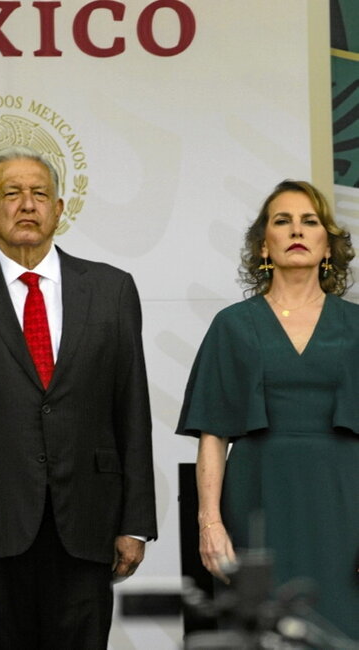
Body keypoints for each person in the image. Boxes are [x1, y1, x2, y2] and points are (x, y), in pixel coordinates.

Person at [0, 146, 157, 649]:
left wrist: (135, 521)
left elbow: (132, 413)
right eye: (12, 193)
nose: (28, 205)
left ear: (59, 209)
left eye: (40, 194)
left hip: (86, 525)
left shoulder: (111, 290)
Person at [177, 180, 359, 640]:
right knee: (258, 633)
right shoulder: (232, 326)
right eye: (282, 221)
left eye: (309, 221)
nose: (296, 230)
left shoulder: (358, 325)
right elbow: (213, 435)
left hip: (345, 505)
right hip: (256, 500)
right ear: (264, 244)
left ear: (327, 245)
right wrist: (210, 523)